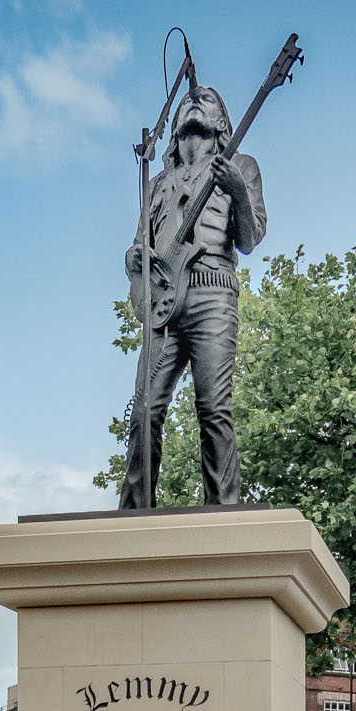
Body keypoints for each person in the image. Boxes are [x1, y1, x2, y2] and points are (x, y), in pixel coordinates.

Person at [120, 85, 265, 509]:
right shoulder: (160, 182)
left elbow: (250, 239)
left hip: (211, 295)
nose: (194, 102)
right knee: (144, 411)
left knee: (213, 409)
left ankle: (224, 512)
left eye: (207, 100)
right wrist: (136, 260)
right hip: (165, 303)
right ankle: (131, 515)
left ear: (222, 120)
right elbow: (137, 248)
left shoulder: (241, 165)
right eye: (188, 100)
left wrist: (236, 188)